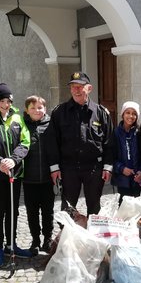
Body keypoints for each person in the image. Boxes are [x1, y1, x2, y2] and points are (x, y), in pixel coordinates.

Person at [0, 83, 34, 267]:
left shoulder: (18, 118)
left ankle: (12, 244)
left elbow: (25, 142)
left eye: (8, 100)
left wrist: (13, 160)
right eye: (2, 101)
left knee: (13, 210)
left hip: (14, 172)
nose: (6, 104)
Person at [45, 72, 114, 215]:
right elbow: (52, 141)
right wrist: (54, 168)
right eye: (73, 87)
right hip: (69, 167)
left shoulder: (101, 113)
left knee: (94, 208)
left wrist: (107, 167)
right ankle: (67, 236)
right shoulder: (60, 112)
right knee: (67, 208)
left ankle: (91, 236)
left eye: (80, 87)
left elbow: (109, 141)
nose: (76, 90)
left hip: (93, 168)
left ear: (89, 88)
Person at [22, 95, 55, 253]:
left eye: (40, 107)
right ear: (27, 111)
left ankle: (48, 238)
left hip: (48, 178)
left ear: (45, 109)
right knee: (32, 211)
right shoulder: (22, 125)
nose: (37, 110)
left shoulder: (51, 125)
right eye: (33, 108)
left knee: (48, 211)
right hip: (29, 178)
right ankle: (35, 239)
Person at [111, 101, 141, 202]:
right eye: (128, 112)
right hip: (122, 179)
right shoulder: (116, 133)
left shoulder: (139, 133)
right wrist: (121, 168)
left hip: (136, 179)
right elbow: (111, 156)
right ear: (122, 114)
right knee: (124, 208)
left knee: (136, 207)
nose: (131, 116)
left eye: (134, 113)